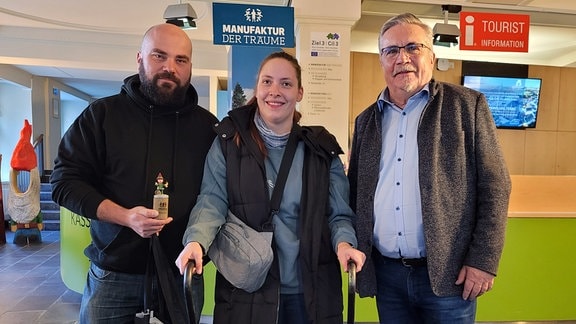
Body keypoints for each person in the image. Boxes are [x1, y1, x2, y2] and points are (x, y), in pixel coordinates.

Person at [175, 51, 366, 324]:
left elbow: (339, 214)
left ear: (299, 92)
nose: (275, 91)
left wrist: (345, 244)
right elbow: (211, 200)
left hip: (311, 291)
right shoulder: (228, 144)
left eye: (286, 83)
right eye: (267, 82)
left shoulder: (321, 151)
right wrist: (196, 241)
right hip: (248, 290)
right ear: (257, 88)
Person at [347, 13, 512, 324]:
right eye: (391, 51)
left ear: (432, 57)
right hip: (388, 276)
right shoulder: (366, 120)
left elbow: (495, 185)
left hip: (449, 275)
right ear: (382, 61)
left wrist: (484, 260)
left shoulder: (467, 106)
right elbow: (356, 192)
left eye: (413, 47)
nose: (402, 58)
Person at [50, 23, 218, 323]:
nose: (170, 67)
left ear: (190, 66)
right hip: (114, 273)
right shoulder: (101, 116)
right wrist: (125, 216)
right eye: (159, 56)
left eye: (181, 60)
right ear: (139, 58)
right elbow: (64, 182)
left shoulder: (207, 128)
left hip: (181, 270)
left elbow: (218, 194)